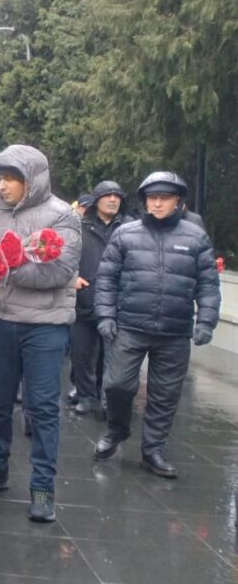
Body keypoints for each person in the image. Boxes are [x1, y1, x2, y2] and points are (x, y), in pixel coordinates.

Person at [0, 145, 80, 523]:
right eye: (0, 178)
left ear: (33, 179)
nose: (3, 185)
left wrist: (3, 267)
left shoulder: (62, 215)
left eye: (11, 178)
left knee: (43, 408)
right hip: (1, 320)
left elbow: (59, 271)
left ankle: (43, 488)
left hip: (46, 326)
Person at [93, 172, 221, 478]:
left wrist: (206, 320)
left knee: (165, 395)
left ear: (178, 202)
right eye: (153, 198)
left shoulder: (196, 238)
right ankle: (117, 429)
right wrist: (106, 315)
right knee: (116, 384)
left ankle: (153, 451)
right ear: (144, 201)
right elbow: (106, 278)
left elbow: (208, 284)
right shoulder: (125, 234)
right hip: (130, 326)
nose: (158, 204)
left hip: (174, 331)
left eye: (165, 198)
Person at [70, 181, 126, 415]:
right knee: (81, 354)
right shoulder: (79, 227)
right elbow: (66, 257)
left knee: (111, 357)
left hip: (116, 304)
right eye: (107, 195)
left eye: (117, 196)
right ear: (96, 200)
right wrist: (72, 277)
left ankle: (106, 398)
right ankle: (85, 395)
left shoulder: (129, 228)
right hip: (84, 299)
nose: (113, 200)